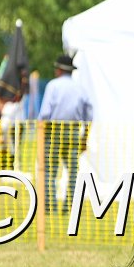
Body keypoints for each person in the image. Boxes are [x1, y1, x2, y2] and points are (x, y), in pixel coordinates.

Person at [38, 54, 93, 215]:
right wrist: (85, 137)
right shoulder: (80, 88)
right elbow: (89, 115)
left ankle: (50, 206)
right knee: (73, 171)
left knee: (50, 170)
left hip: (53, 130)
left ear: (59, 70)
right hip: (74, 131)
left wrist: (41, 133)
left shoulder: (53, 86)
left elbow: (45, 113)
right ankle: (69, 206)